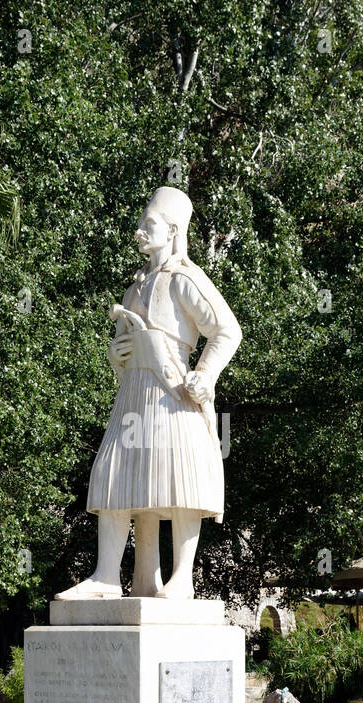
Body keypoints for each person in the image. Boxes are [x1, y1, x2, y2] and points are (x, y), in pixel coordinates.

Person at [56, 186, 241, 600]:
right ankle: (107, 576)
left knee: (177, 480)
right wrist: (116, 354)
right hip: (134, 392)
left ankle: (182, 578)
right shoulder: (134, 288)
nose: (139, 230)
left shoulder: (186, 279)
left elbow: (227, 330)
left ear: (173, 230)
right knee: (116, 476)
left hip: (172, 390)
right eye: (141, 222)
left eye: (149, 224)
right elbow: (124, 348)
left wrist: (206, 375)